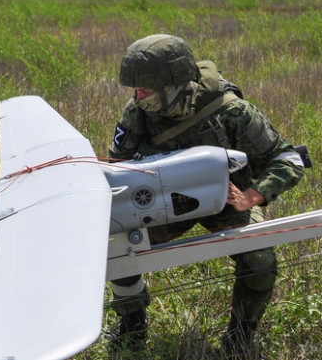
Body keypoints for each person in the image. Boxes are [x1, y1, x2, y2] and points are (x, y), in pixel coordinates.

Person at [108, 34, 304, 358]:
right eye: (135, 89)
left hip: (225, 202)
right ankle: (132, 328)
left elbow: (288, 159)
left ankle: (240, 338)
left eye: (145, 90)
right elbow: (117, 168)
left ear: (172, 86)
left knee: (260, 261)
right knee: (117, 248)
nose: (137, 96)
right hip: (164, 205)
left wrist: (253, 197)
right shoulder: (138, 113)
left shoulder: (231, 110)